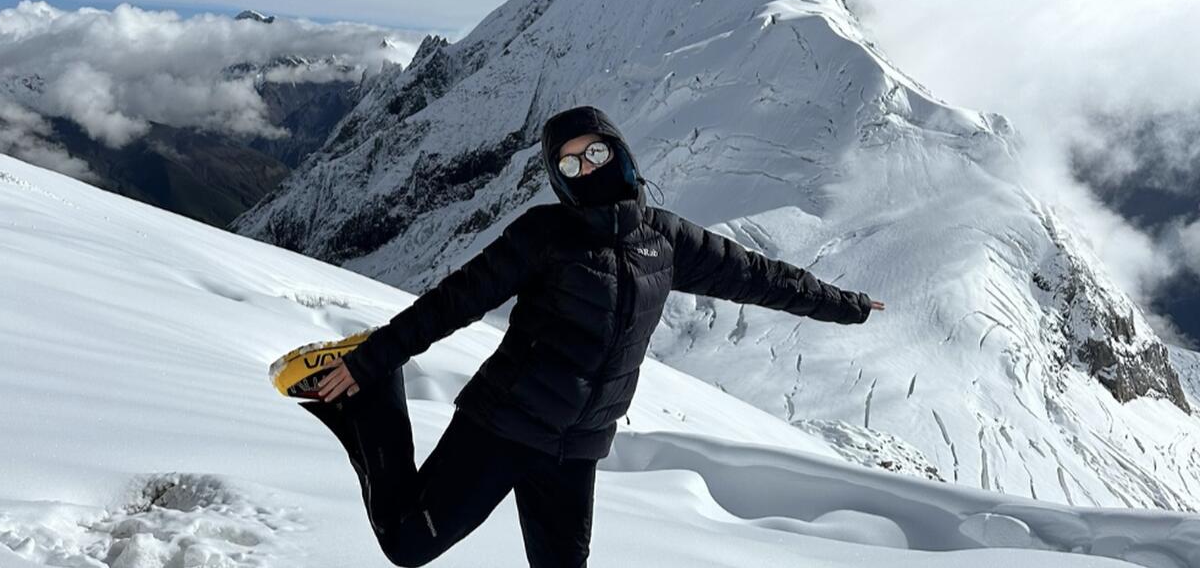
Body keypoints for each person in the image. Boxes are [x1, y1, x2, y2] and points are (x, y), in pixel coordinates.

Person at [298, 105, 884, 567]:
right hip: (503, 426)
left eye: (595, 152)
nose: (587, 167)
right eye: (571, 164)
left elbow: (760, 277)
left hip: (576, 449)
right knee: (407, 545)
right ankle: (372, 400)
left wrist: (848, 305)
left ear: (620, 153)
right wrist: (377, 358)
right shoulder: (543, 234)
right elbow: (455, 302)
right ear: (560, 179)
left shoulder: (665, 241)